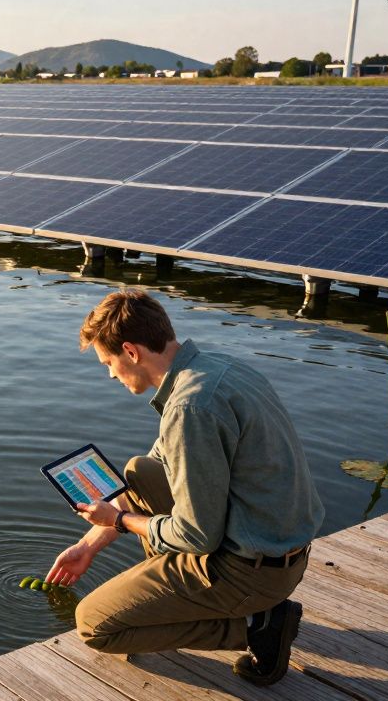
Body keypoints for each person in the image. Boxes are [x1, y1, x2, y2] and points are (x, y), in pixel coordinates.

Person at [45, 288, 324, 686]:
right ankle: (177, 592)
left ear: (131, 351)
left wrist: (121, 520)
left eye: (108, 362)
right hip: (281, 552)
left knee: (93, 624)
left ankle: (255, 626)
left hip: (253, 575)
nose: (109, 374)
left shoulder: (189, 409)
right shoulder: (215, 370)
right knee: (140, 470)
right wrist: (87, 547)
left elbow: (196, 534)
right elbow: (149, 480)